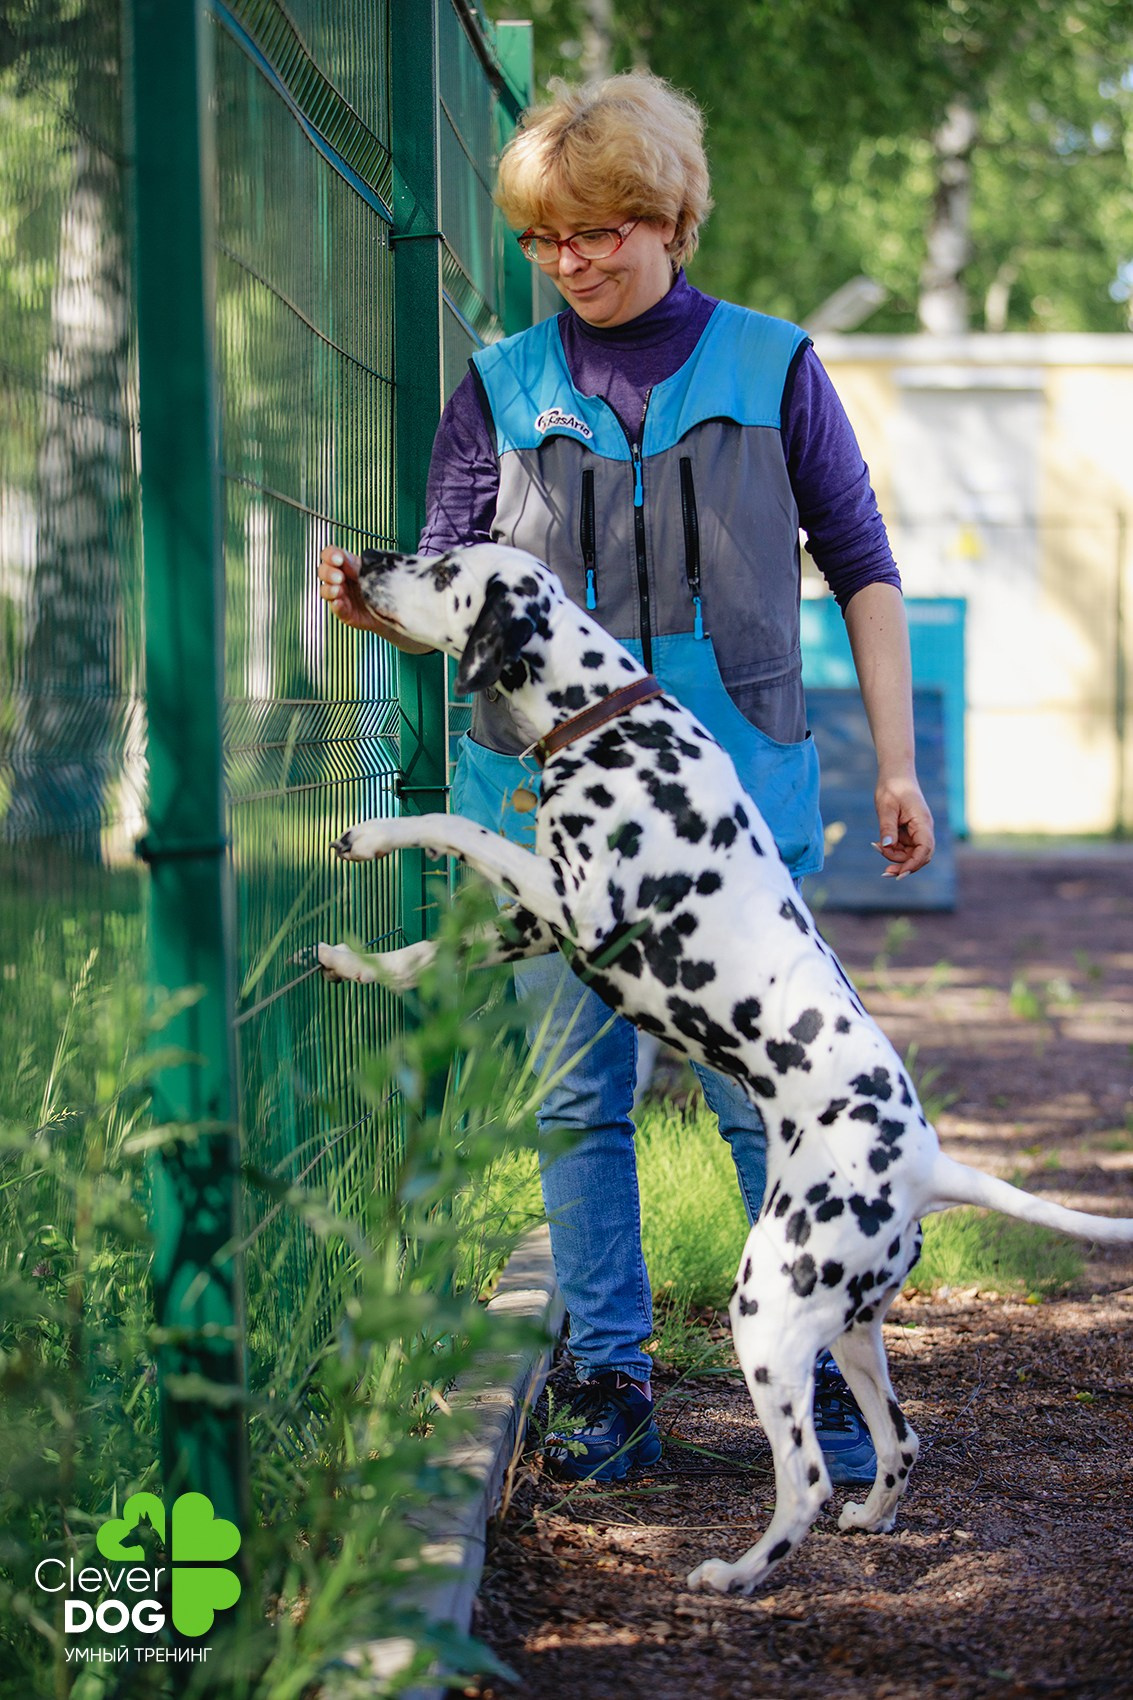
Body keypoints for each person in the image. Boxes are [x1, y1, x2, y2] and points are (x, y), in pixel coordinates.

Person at [318, 70, 935, 1487]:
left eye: (598, 232)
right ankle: (608, 1377)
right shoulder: (500, 387)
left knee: (768, 1098)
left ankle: (828, 1376)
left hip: (732, 810)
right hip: (543, 800)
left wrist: (896, 765)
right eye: (545, 240)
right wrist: (369, 604)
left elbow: (862, 567)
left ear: (668, 219)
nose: (571, 263)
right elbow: (447, 587)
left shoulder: (774, 366)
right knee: (573, 1096)